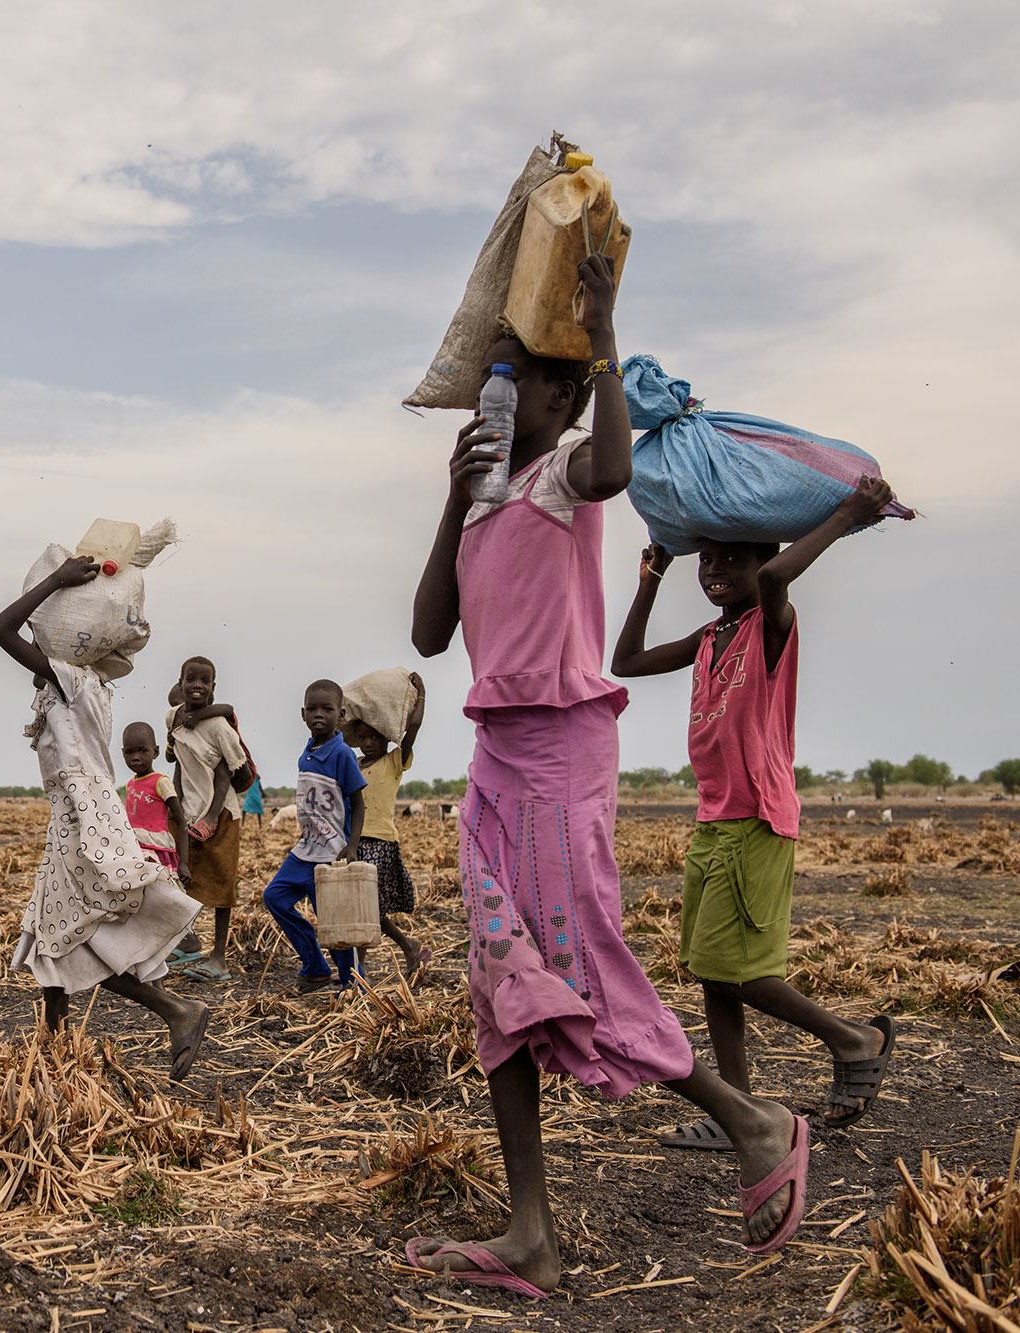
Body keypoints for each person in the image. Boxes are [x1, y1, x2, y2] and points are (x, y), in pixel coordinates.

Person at [404, 253, 809, 1298]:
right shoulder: (489, 496)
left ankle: (754, 1119)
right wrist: (452, 503)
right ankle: (528, 1231)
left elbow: (618, 471)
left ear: (564, 395)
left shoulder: (567, 477)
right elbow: (427, 629)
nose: (506, 403)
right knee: (501, 983)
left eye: (531, 385)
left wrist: (601, 337)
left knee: (584, 966)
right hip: (496, 759)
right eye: (500, 388)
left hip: (562, 752)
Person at [611, 479, 899, 1152]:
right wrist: (652, 578)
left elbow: (775, 575)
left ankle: (855, 1039)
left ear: (761, 556)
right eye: (707, 560)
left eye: (731, 559)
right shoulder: (712, 636)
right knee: (712, 971)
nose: (716, 571)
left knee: (747, 973)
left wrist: (848, 515)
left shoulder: (774, 627)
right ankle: (736, 1109)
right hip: (715, 820)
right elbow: (623, 661)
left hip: (758, 818)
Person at [0, 550, 209, 1080]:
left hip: (84, 821)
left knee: (73, 936)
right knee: (50, 934)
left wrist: (59, 581)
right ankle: (55, 1050)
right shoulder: (71, 685)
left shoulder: (73, 679)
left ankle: (179, 1011)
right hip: (72, 817)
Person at [261, 681, 367, 992]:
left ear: (341, 714)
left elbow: (359, 803)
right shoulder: (306, 753)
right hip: (305, 850)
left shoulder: (342, 754)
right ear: (302, 714)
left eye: (327, 709)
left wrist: (352, 845)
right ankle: (315, 967)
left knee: (335, 925)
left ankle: (353, 984)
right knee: (275, 897)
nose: (318, 714)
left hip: (332, 854)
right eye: (312, 709)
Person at [342, 671, 433, 978]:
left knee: (370, 907)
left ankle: (364, 965)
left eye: (374, 737)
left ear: (385, 738)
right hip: (354, 840)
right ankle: (405, 948)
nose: (368, 743)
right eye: (364, 738)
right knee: (362, 906)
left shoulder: (394, 762)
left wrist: (420, 697)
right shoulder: (353, 764)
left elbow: (414, 727)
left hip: (380, 841)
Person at [167, 657, 253, 981]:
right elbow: (175, 760)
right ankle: (186, 941)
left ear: (213, 688)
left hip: (221, 814)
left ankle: (219, 959)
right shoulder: (173, 719)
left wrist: (213, 814)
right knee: (178, 878)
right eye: (191, 679)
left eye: (205, 681)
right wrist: (173, 803)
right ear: (181, 682)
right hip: (186, 810)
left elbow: (236, 771)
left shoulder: (219, 727)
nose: (197, 686)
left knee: (221, 883)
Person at [121, 722, 187, 878]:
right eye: (130, 752)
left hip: (157, 848)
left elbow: (181, 822)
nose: (136, 757)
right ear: (123, 753)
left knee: (160, 890)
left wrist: (183, 862)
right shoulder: (130, 784)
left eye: (143, 750)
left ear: (155, 752)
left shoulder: (160, 782)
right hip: (134, 846)